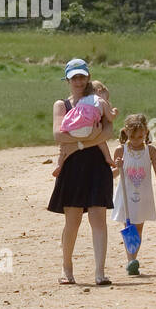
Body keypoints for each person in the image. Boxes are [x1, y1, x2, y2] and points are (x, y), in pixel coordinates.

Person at [48, 58, 115, 285]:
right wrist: (89, 140)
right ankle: (67, 269)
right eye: (74, 77)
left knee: (99, 218)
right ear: (67, 79)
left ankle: (100, 272)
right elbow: (58, 135)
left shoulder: (97, 99)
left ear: (88, 76)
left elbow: (108, 131)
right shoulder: (61, 105)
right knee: (73, 221)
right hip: (73, 168)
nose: (78, 81)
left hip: (97, 165)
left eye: (82, 76)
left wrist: (78, 143)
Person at [112, 113, 156, 276]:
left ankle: (133, 258)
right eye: (133, 137)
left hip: (143, 194)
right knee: (129, 227)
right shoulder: (121, 150)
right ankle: (131, 261)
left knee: (139, 228)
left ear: (146, 133)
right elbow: (113, 174)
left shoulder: (150, 150)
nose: (136, 140)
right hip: (127, 195)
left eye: (140, 136)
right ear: (127, 133)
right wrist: (117, 166)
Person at [51, 79, 116, 177]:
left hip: (72, 128)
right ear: (99, 91)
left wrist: (75, 146)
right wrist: (115, 112)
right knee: (101, 140)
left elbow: (60, 136)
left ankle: (59, 164)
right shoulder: (101, 102)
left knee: (63, 146)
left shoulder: (81, 102)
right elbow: (107, 130)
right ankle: (108, 157)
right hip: (90, 131)